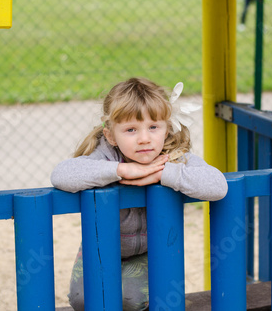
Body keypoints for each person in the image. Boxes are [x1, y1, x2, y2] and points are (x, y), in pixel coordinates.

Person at [51, 77, 228, 311]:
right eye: (131, 129)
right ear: (111, 135)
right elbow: (61, 175)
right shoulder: (105, 156)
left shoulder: (173, 156)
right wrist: (121, 170)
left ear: (166, 129)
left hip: (147, 251)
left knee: (131, 300)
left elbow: (218, 185)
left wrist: (163, 174)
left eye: (153, 127)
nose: (144, 138)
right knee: (83, 300)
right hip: (99, 248)